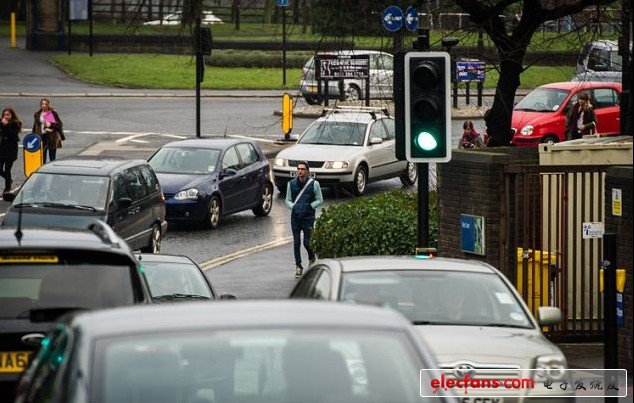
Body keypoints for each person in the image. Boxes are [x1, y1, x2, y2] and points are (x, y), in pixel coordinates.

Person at [285, 161, 323, 278]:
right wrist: (293, 206)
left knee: (307, 242)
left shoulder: (314, 184)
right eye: (298, 169)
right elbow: (287, 199)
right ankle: (298, 266)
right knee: (296, 243)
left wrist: (310, 206)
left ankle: (311, 257)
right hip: (295, 218)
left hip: (308, 217)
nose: (300, 171)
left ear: (307, 171)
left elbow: (319, 199)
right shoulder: (291, 184)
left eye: (302, 169)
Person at [32, 98, 65, 163]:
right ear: (40, 105)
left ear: (48, 105)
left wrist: (50, 125)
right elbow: (35, 126)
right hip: (41, 137)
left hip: (51, 137)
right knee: (42, 157)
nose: (44, 105)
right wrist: (33, 136)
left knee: (52, 157)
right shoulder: (38, 114)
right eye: (42, 104)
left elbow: (59, 124)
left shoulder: (51, 113)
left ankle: (52, 170)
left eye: (46, 104)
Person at [0, 107, 21, 193]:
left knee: (8, 169)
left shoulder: (15, 124)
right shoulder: (2, 122)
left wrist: (6, 125)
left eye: (8, 114)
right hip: (2, 149)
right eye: (4, 114)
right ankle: (9, 179)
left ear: (12, 115)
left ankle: (7, 188)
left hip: (11, 150)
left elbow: (13, 136)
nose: (5, 116)